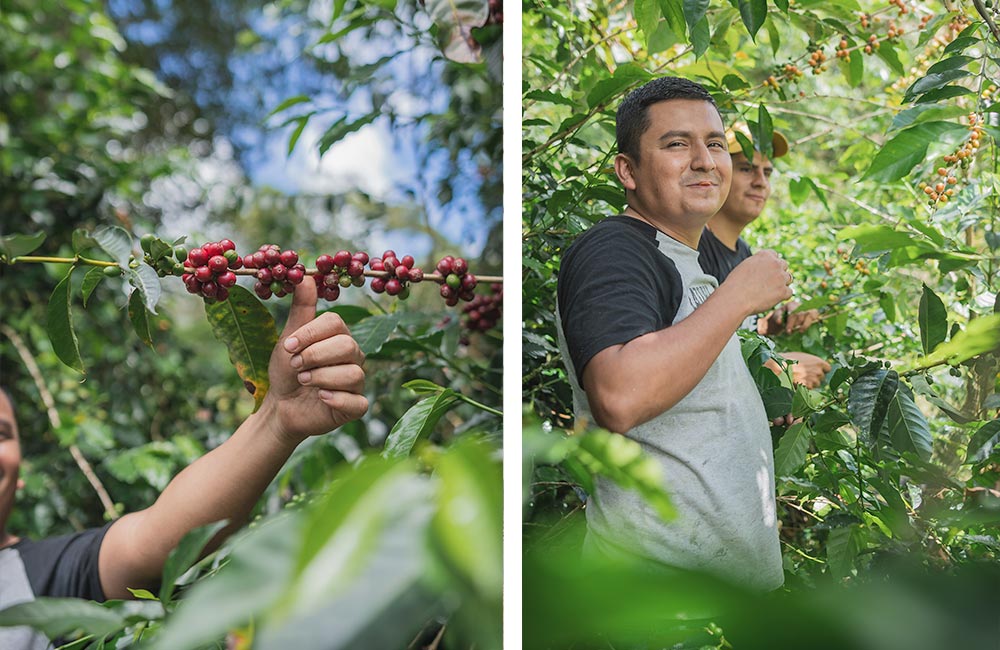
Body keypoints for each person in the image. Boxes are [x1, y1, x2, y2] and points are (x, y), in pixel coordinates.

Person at [0, 278, 368, 650]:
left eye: (1, 434)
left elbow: (158, 540)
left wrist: (276, 419)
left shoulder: (47, 576)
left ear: (21, 476)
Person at [556, 77, 794, 591]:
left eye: (713, 143)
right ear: (627, 171)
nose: (705, 159)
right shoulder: (615, 250)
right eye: (677, 144)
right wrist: (739, 295)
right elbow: (619, 394)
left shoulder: (689, 256)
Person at [698, 124, 831, 389]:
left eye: (767, 172)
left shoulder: (744, 253)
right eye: (747, 169)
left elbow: (728, 327)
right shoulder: (695, 246)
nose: (760, 181)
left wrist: (767, 325)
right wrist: (774, 366)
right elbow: (690, 342)